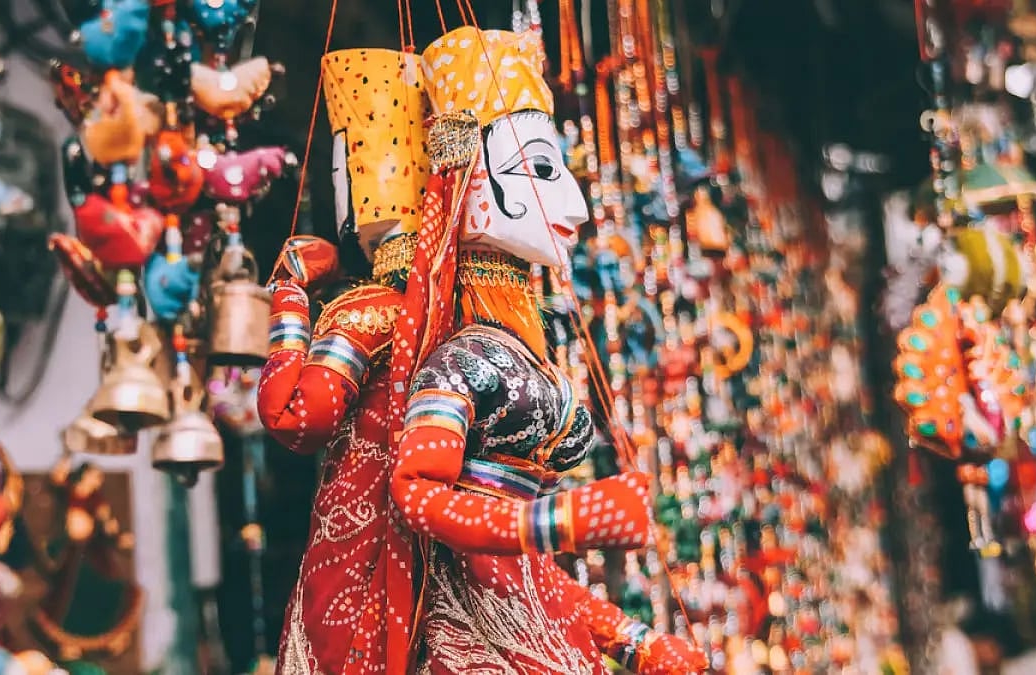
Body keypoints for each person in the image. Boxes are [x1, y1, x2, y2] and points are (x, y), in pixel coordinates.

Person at [385, 26, 705, 674]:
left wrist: (634, 638)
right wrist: (564, 519)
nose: (578, 206)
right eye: (540, 169)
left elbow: (533, 579)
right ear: (471, 185)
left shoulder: (524, 352)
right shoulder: (461, 361)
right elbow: (414, 493)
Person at [258, 47, 428, 674]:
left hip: (359, 556)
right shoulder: (450, 305)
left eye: (340, 165)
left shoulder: (370, 309)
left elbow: (292, 416)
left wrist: (290, 292)